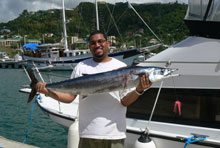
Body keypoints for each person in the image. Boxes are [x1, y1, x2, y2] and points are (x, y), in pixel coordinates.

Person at [36, 30, 152, 148]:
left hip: (115, 133)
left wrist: (139, 89)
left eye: (100, 41)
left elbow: (124, 101)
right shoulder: (81, 67)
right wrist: (47, 91)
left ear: (107, 43)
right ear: (89, 46)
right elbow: (70, 98)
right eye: (93, 43)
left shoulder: (121, 67)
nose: (97, 45)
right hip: (88, 133)